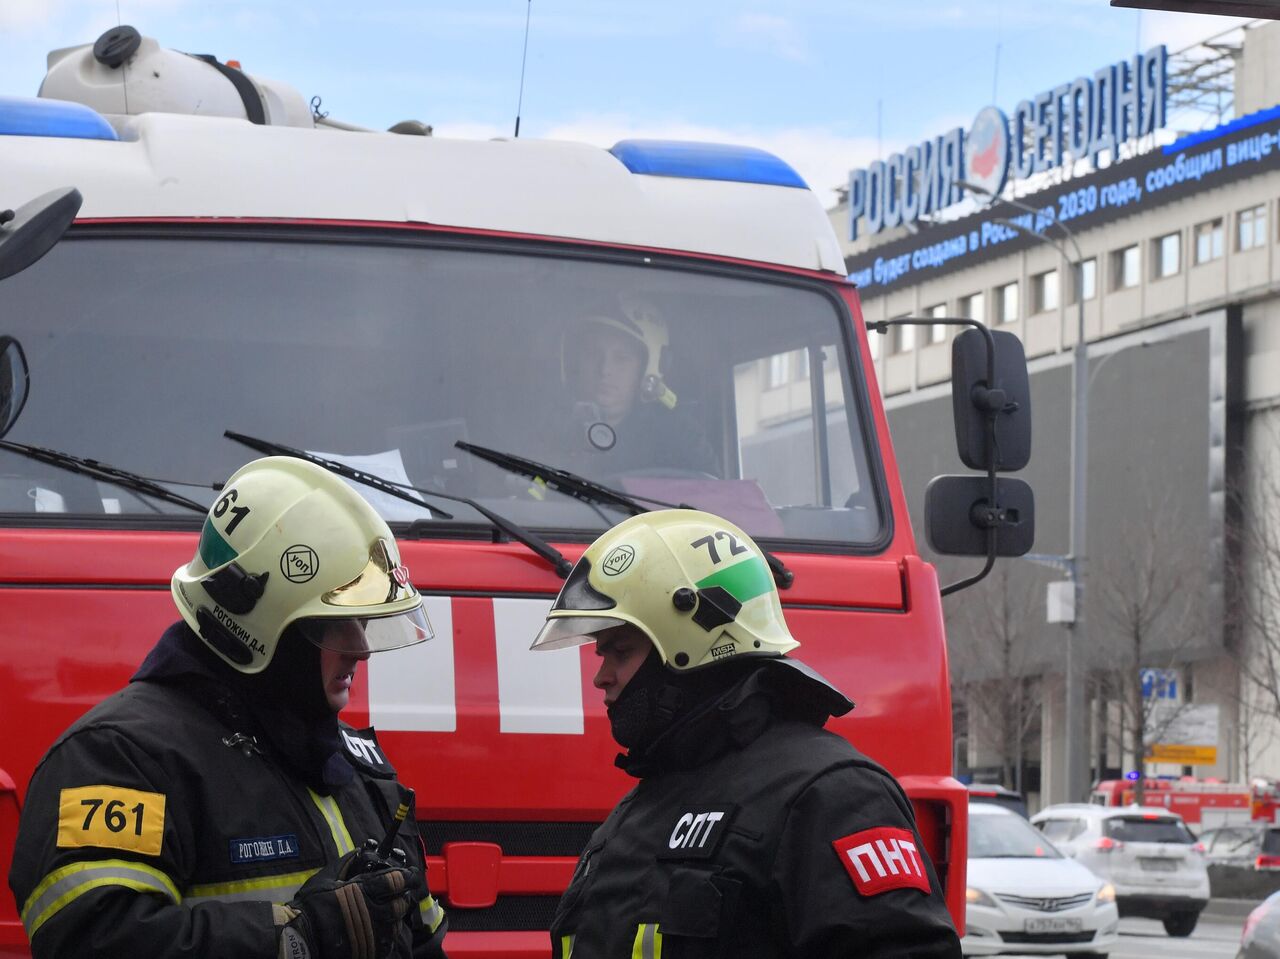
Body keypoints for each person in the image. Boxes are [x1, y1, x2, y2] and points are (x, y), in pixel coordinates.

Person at [9, 456, 448, 959]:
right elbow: (94, 938)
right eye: (336, 623)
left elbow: (423, 939)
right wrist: (296, 936)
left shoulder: (353, 771)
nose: (361, 648)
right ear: (267, 627)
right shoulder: (118, 759)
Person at [530, 509, 962, 958]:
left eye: (619, 652)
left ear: (688, 641)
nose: (602, 677)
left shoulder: (832, 796)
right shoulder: (650, 799)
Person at [556, 295, 718, 478]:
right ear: (574, 364)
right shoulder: (550, 430)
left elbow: (713, 497)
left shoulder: (679, 439)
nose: (605, 369)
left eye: (621, 358)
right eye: (593, 354)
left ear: (647, 369)